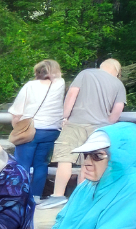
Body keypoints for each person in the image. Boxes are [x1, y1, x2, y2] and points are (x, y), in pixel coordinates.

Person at [52, 58, 127, 198]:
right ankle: (82, 198)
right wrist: (107, 124)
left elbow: (72, 94)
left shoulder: (85, 74)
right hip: (99, 129)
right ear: (117, 71)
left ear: (101, 66)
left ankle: (57, 196)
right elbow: (118, 109)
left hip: (75, 123)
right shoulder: (118, 84)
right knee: (89, 164)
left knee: (65, 160)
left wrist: (65, 116)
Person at [7, 59, 66, 201]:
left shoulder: (30, 86)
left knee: (22, 164)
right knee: (42, 164)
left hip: (31, 130)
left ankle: (20, 197)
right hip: (52, 130)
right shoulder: (60, 84)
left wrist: (17, 127)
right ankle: (36, 196)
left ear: (37, 72)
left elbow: (17, 111)